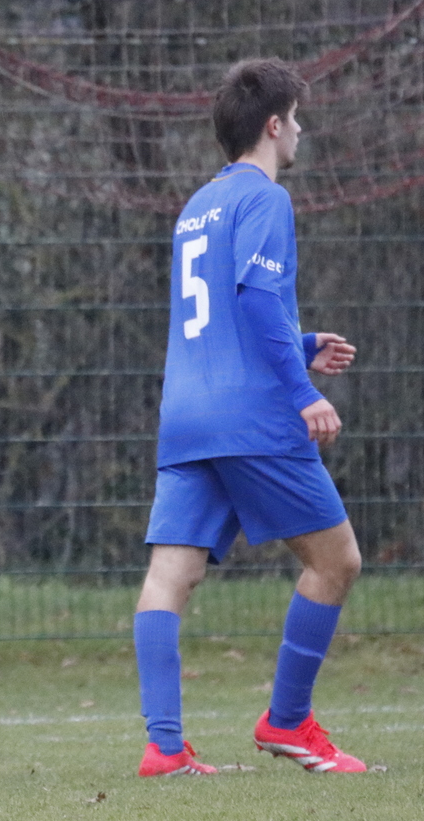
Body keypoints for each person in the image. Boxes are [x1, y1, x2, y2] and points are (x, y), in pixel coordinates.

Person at [133, 58, 367, 777]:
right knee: (336, 561)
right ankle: (287, 721)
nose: (300, 130)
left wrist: (299, 344)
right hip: (251, 417)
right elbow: (257, 299)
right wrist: (302, 391)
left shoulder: (196, 207)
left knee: (169, 576)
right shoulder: (266, 198)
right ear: (273, 125)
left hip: (187, 415)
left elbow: (216, 318)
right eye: (295, 118)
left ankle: (164, 747)